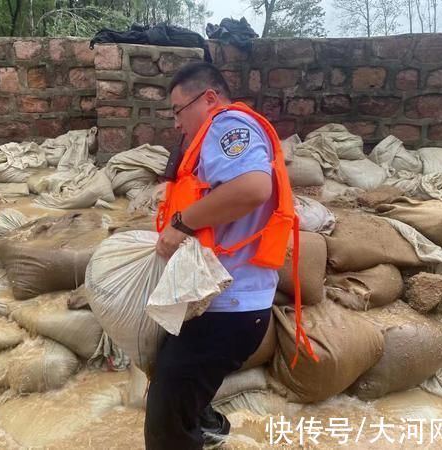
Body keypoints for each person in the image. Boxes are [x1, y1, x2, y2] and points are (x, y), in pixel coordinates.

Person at [146, 61, 316, 450]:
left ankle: (192, 431)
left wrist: (181, 223)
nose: (175, 123)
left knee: (164, 418)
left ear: (208, 98)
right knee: (181, 384)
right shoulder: (213, 134)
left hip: (229, 306)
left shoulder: (225, 125)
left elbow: (253, 187)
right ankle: (209, 428)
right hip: (225, 302)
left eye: (177, 110)